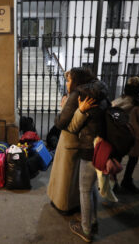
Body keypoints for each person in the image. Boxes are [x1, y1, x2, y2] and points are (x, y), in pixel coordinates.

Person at [47, 67, 98, 215]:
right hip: (68, 142)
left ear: (77, 81)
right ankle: (59, 201)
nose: (67, 84)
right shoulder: (76, 96)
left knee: (67, 180)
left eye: (69, 80)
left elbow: (72, 126)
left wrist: (75, 110)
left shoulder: (81, 97)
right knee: (64, 177)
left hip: (71, 143)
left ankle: (64, 206)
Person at [67, 76, 109, 243]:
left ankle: (85, 230)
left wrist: (80, 110)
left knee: (84, 190)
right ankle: (92, 221)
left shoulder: (88, 105)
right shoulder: (104, 100)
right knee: (91, 188)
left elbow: (72, 127)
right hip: (101, 148)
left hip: (89, 150)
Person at [112, 77, 139, 194]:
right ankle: (127, 181)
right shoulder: (137, 105)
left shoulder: (118, 101)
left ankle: (112, 182)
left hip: (120, 136)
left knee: (117, 159)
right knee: (133, 159)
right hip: (134, 137)